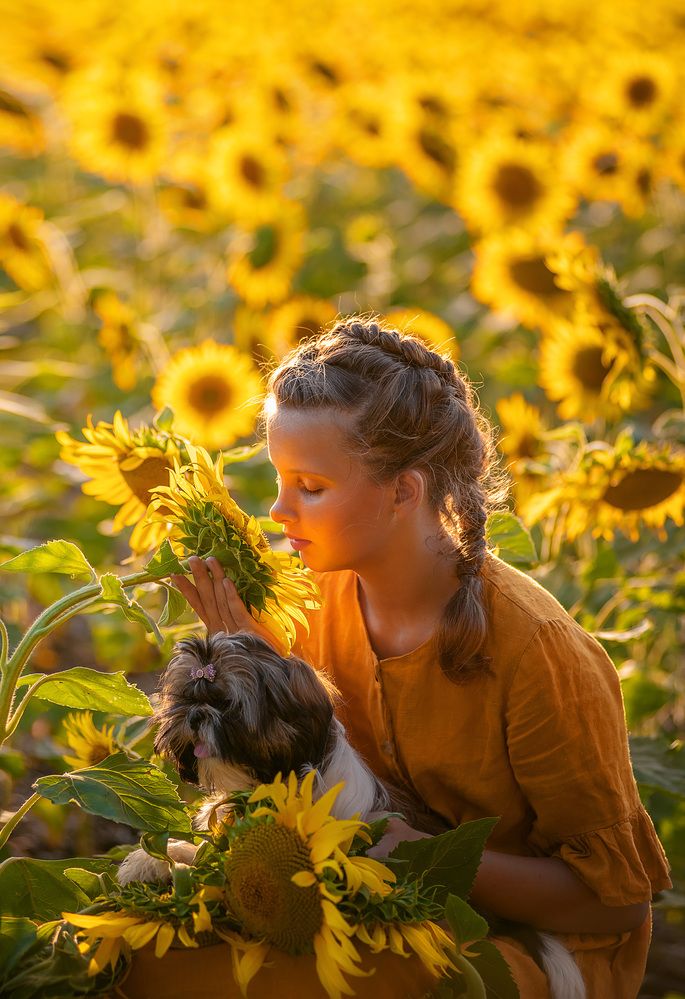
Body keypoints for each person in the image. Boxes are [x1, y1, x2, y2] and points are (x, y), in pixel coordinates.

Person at [171, 317, 671, 998]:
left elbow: (613, 903)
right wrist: (252, 674)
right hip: (364, 902)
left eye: (310, 486)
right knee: (159, 952)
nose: (279, 511)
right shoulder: (307, 595)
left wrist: (421, 857)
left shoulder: (537, 652)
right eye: (279, 480)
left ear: (404, 491)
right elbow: (304, 808)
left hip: (535, 949)